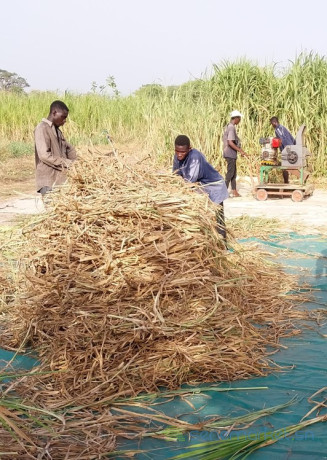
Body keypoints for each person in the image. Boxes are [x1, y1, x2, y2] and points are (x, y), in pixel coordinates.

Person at [173, 135, 229, 241]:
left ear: (189, 149)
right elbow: (176, 174)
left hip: (214, 187)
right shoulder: (177, 156)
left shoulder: (195, 157)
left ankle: (223, 245)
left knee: (218, 219)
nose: (179, 155)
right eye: (177, 151)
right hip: (201, 187)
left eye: (183, 152)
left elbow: (189, 181)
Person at [34, 100, 77, 195]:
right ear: (54, 113)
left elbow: (69, 149)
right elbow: (44, 156)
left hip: (59, 181)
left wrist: (81, 163)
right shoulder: (42, 128)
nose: (64, 121)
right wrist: (68, 163)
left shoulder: (58, 131)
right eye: (63, 117)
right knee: (51, 208)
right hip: (48, 181)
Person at [222, 110, 248, 197]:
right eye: (239, 118)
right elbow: (230, 142)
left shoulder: (229, 126)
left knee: (233, 173)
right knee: (230, 173)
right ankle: (223, 192)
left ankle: (234, 191)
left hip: (231, 154)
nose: (240, 120)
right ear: (236, 118)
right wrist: (241, 151)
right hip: (230, 153)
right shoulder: (231, 127)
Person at [270, 116, 295, 184]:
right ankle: (286, 182)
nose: (272, 125)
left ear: (274, 122)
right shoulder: (282, 127)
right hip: (291, 148)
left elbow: (283, 140)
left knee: (284, 167)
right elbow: (291, 137)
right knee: (285, 167)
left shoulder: (278, 129)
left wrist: (286, 150)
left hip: (287, 149)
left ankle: (286, 182)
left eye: (272, 123)